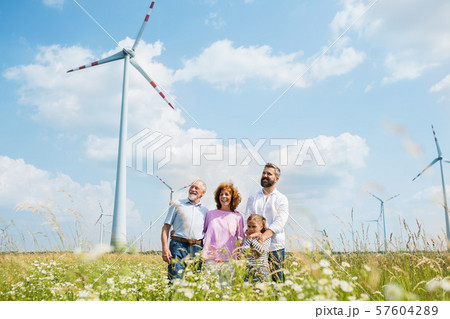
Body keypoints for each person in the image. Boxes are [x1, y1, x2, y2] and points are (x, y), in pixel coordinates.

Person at [244, 163, 289, 282]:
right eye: (264, 173)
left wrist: (262, 237)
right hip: (254, 247)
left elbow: (280, 221)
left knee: (278, 282)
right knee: (255, 281)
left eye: (269, 174)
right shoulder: (253, 197)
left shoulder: (281, 198)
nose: (265, 175)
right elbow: (247, 218)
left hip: (275, 247)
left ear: (276, 179)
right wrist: (250, 237)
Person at [161, 179, 208, 282]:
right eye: (192, 187)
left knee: (194, 282)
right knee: (175, 280)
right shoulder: (177, 204)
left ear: (203, 193)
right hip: (178, 246)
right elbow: (166, 227)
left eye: (196, 188)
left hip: (197, 248)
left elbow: (208, 232)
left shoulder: (205, 211)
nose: (193, 189)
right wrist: (164, 248)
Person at [201, 182, 245, 283]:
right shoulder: (210, 214)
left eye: (227, 194)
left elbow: (241, 239)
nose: (223, 197)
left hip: (229, 259)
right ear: (218, 197)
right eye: (221, 194)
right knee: (209, 289)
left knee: (226, 291)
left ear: (232, 197)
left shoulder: (238, 217)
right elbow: (202, 232)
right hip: (210, 258)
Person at [242, 214, 271, 282]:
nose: (251, 229)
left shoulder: (265, 238)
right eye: (249, 226)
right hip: (249, 269)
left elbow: (262, 251)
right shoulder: (247, 238)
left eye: (254, 227)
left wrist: (253, 238)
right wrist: (250, 238)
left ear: (261, 227)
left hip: (261, 269)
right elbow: (243, 251)